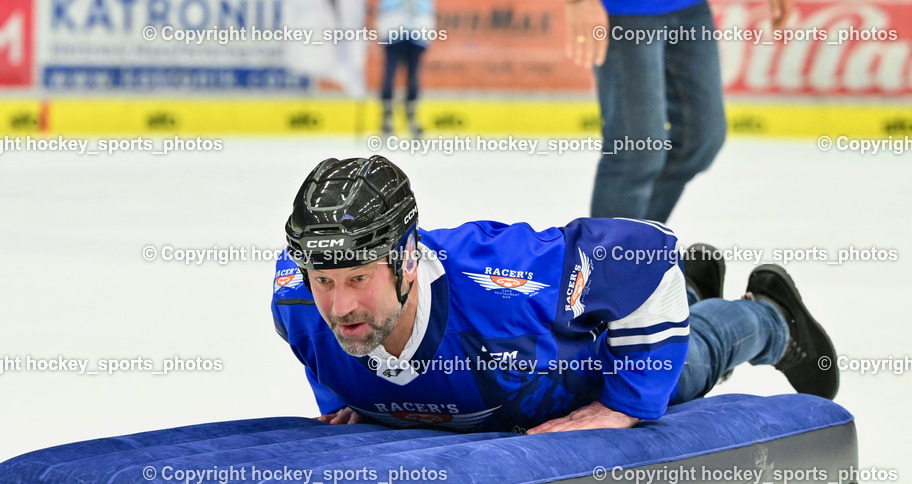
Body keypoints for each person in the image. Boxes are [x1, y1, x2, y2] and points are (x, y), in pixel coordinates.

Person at [272, 155, 837, 434]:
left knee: (689, 367)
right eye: (325, 281)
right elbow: (318, 346)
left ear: (407, 260)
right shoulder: (297, 300)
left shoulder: (508, 280)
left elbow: (645, 253)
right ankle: (696, 289)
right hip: (506, 390)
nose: (340, 305)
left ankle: (770, 316)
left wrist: (625, 404)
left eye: (358, 280)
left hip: (590, 366)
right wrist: (349, 401)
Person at [565, 0, 793, 221]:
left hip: (690, 10)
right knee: (636, 152)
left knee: (699, 140)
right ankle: (610, 255)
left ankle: (638, 245)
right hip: (624, 12)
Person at [375, 0, 435, 137]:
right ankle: (387, 118)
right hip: (394, 28)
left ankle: (411, 118)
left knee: (412, 75)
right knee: (390, 74)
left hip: (416, 30)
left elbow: (427, 8)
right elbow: (385, 7)